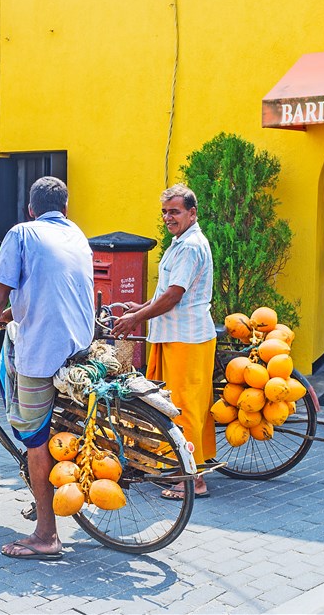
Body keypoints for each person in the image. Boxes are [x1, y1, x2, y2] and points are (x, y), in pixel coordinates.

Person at [0, 176, 94, 560]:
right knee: (44, 424)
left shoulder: (22, 233)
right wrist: (8, 317)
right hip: (79, 343)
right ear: (65, 208)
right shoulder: (77, 235)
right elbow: (46, 292)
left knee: (32, 438)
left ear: (30, 209)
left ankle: (46, 535)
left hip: (45, 351)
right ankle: (42, 491)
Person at [110, 184, 216, 499]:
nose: (169, 217)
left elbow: (173, 296)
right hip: (176, 335)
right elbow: (167, 294)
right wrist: (140, 308)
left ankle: (192, 481)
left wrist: (136, 319)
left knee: (182, 408)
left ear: (192, 213)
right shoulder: (182, 242)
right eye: (165, 212)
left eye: (175, 211)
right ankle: (194, 463)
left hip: (186, 338)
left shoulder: (189, 247)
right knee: (186, 405)